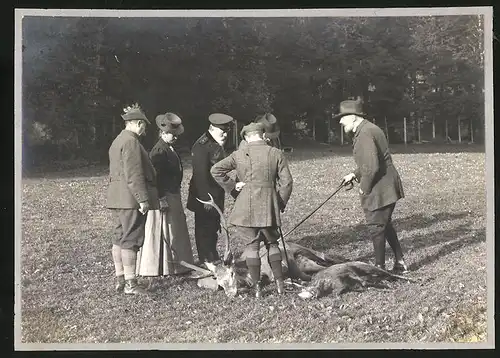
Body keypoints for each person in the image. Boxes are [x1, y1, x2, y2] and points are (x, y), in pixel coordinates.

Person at [210, 122, 293, 298]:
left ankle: (257, 289)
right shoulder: (276, 153)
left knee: (252, 247)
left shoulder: (239, 154)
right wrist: (279, 203)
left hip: (245, 209)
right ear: (263, 136)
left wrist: (233, 185)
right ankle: (280, 285)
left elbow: (216, 170)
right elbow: (287, 182)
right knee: (272, 244)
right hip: (269, 206)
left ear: (247, 138)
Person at [334, 99, 408, 273]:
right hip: (385, 183)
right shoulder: (368, 129)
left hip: (381, 186)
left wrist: (363, 188)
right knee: (384, 224)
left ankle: (379, 269)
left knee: (376, 226)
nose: (340, 121)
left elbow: (372, 167)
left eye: (342, 117)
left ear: (352, 117)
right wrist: (354, 174)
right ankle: (400, 262)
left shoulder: (365, 134)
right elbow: (371, 161)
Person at [106, 103, 159, 295]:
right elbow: (134, 174)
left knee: (119, 238)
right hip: (130, 200)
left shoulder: (118, 140)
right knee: (131, 239)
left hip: (117, 198)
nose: (144, 130)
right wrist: (142, 199)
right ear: (138, 123)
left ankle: (121, 279)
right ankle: (130, 284)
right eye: (144, 126)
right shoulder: (131, 142)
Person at [136, 113, 195, 283]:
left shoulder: (169, 148)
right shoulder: (158, 151)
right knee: (164, 230)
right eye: (172, 134)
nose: (175, 137)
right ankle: (160, 265)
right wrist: (161, 198)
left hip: (173, 193)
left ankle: (176, 264)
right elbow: (155, 178)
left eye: (176, 134)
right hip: (164, 195)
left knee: (175, 230)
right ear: (162, 133)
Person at [186, 113, 234, 266]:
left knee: (213, 226)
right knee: (204, 228)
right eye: (222, 131)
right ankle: (206, 258)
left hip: (215, 195)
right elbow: (200, 176)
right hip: (204, 197)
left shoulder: (215, 143)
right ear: (212, 128)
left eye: (227, 131)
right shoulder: (202, 146)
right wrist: (205, 199)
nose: (225, 134)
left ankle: (212, 255)